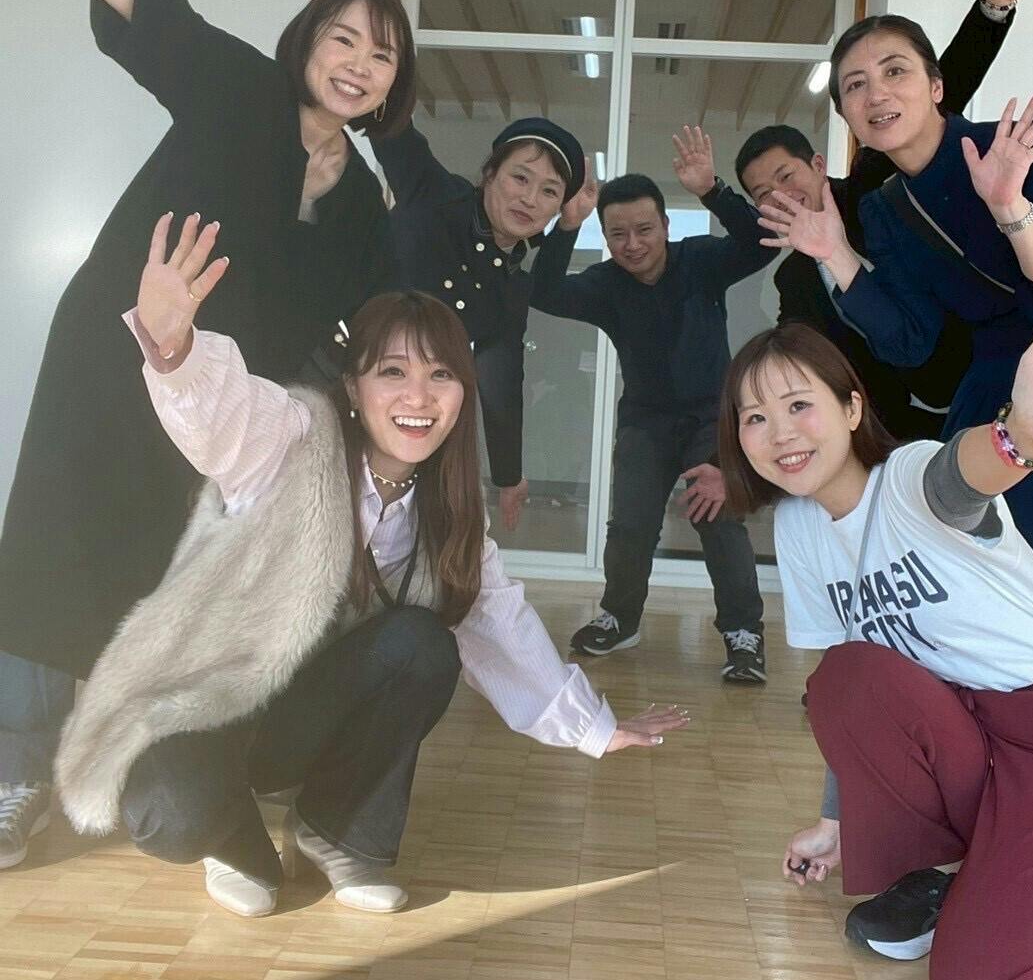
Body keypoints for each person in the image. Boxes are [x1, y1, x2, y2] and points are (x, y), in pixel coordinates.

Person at [54, 215, 689, 918]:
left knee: (424, 645)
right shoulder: (292, 439)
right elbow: (226, 417)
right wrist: (176, 351)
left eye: (441, 374)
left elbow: (501, 623)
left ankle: (336, 829)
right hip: (205, 703)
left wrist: (595, 727)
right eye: (393, 372)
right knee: (167, 814)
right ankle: (234, 840)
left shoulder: (449, 514)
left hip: (300, 718)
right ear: (353, 387)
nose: (418, 397)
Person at [0, 0, 406, 868]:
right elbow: (141, 5)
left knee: (159, 569)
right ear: (306, 43)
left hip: (218, 409)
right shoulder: (239, 87)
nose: (358, 65)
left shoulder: (360, 200)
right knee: (53, 543)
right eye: (342, 39)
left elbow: (343, 323)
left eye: (381, 54)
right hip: (111, 355)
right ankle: (13, 768)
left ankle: (138, 754)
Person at [718, 313, 1033, 980]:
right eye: (755, 417)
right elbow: (854, 693)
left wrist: (1022, 436)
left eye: (799, 404)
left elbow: (961, 479)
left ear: (852, 407)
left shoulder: (906, 477)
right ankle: (951, 877)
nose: (780, 432)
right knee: (843, 678)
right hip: (983, 746)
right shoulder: (799, 528)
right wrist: (837, 822)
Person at [758, 21, 1033, 644]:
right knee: (988, 590)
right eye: (855, 85)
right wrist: (836, 253)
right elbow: (911, 342)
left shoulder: (1014, 151)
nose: (877, 94)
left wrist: (1010, 207)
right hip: (991, 398)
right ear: (847, 116)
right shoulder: (882, 209)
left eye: (895, 71)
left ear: (937, 85)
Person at [279, 0, 597, 532]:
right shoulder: (434, 192)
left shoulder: (511, 287)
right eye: (520, 177)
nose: (529, 198)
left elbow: (501, 380)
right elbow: (384, 118)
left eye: (548, 191)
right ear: (489, 174)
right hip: (317, 373)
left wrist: (509, 473)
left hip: (397, 424)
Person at [699, 0, 1033, 439]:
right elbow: (798, 353)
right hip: (902, 428)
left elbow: (937, 88)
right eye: (763, 193)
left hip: (1005, 367)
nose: (781, 196)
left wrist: (995, 6)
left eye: (786, 176)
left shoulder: (876, 186)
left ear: (818, 165)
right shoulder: (795, 278)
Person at [530, 173, 766, 683]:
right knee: (630, 526)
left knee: (718, 521)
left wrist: (713, 191)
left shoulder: (700, 261)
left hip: (710, 419)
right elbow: (542, 291)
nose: (632, 244)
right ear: (605, 237)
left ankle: (743, 633)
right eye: (618, 234)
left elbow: (758, 242)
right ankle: (620, 618)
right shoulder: (604, 284)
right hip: (645, 421)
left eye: (644, 229)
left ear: (665, 226)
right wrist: (567, 226)